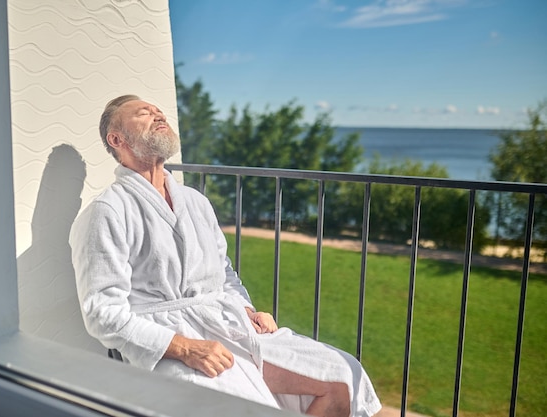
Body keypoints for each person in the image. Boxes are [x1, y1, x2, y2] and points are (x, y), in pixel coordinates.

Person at [69, 95, 382, 417]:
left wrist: (248, 310)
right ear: (116, 139)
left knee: (342, 376)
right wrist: (184, 347)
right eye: (144, 113)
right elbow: (101, 312)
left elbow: (224, 272)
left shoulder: (195, 201)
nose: (158, 114)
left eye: (159, 112)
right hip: (169, 340)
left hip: (227, 323)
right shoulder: (107, 211)